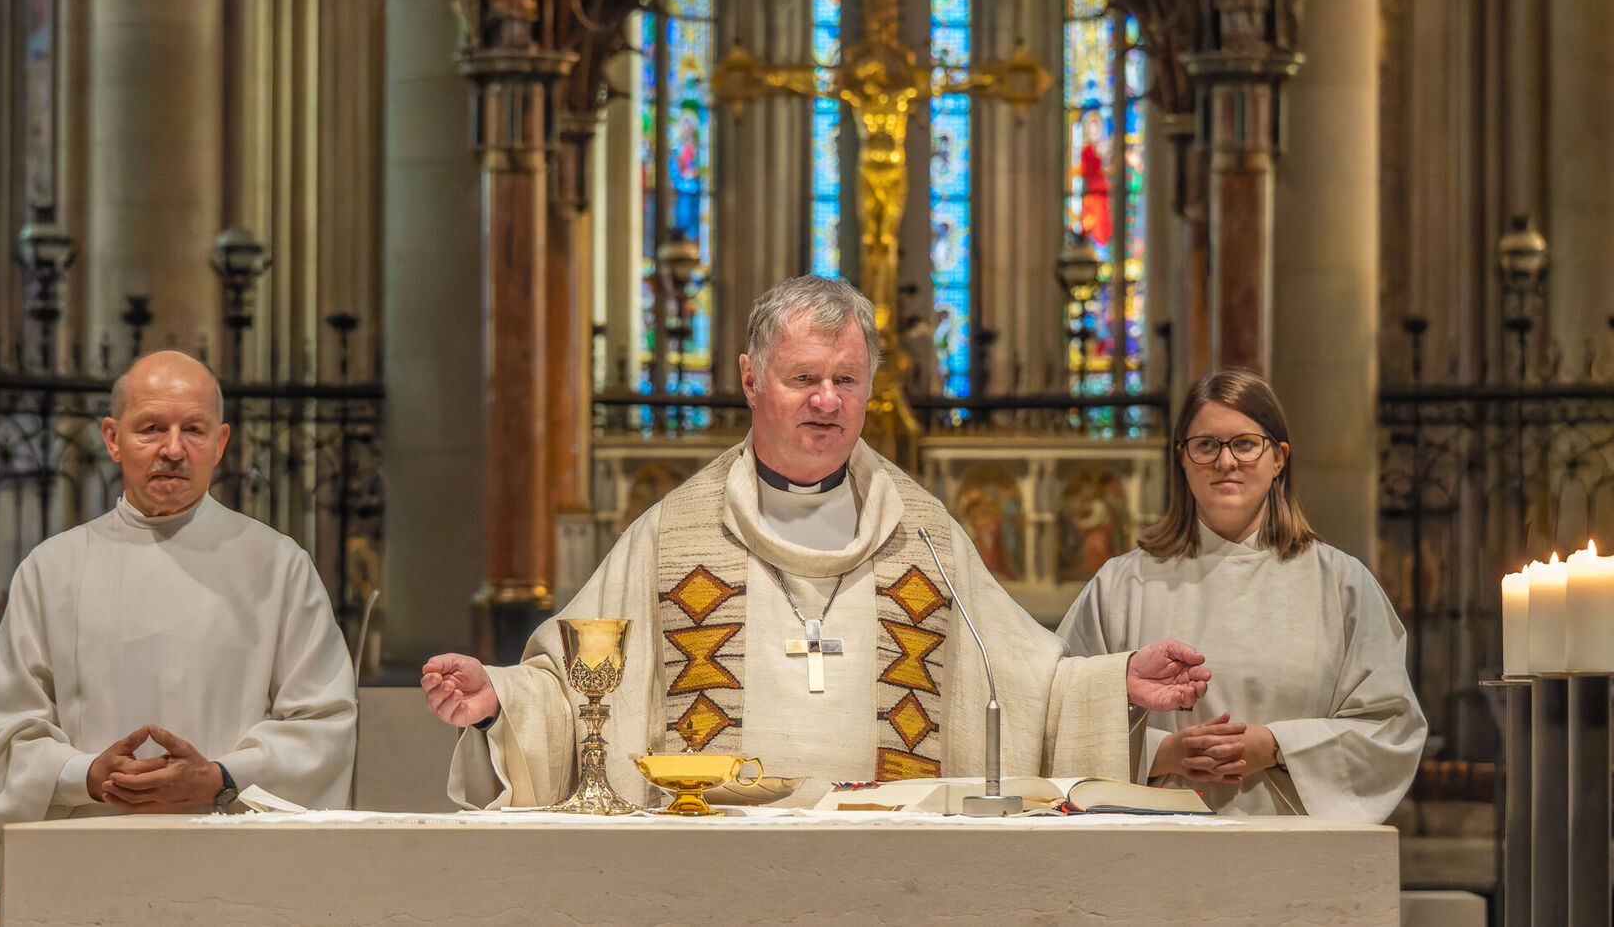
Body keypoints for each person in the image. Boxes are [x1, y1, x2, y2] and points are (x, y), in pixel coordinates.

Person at [424, 276, 1211, 809]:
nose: (828, 401)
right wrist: (502, 701)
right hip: (709, 868)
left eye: (848, 379)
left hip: (897, 870)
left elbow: (1024, 684)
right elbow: (578, 690)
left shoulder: (923, 531)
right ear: (749, 379)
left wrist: (1115, 685)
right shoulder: (675, 530)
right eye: (804, 378)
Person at [0, 350, 358, 884]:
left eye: (193, 429)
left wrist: (220, 777)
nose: (173, 449)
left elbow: (324, 724)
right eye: (150, 428)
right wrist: (88, 775)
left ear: (220, 443)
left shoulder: (279, 566)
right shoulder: (52, 569)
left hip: (236, 863)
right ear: (112, 438)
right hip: (90, 862)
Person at [1057, 369, 1426, 821]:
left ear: (1279, 459)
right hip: (1150, 848)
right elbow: (1062, 717)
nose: (1225, 461)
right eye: (1206, 445)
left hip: (1293, 853)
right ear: (1183, 459)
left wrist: (1275, 746)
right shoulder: (1121, 585)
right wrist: (1165, 753)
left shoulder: (1342, 583)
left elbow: (1390, 730)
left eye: (1246, 444)